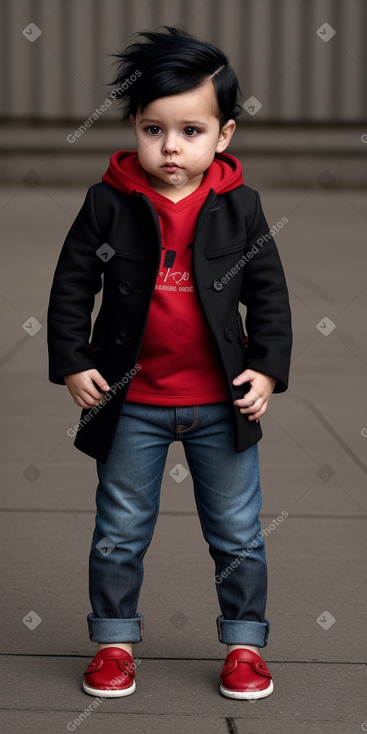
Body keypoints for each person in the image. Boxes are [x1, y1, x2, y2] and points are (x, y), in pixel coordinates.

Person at [47, 26, 292, 700]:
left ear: (224, 135)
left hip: (221, 403)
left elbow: (269, 296)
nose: (171, 147)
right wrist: (72, 361)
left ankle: (244, 646)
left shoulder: (240, 209)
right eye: (154, 130)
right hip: (133, 401)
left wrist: (266, 370)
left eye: (190, 130)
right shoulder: (108, 204)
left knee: (238, 529)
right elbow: (72, 286)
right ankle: (114, 644)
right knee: (119, 528)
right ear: (133, 127)